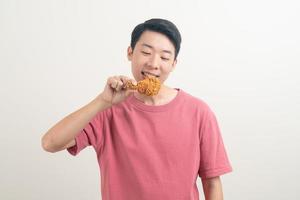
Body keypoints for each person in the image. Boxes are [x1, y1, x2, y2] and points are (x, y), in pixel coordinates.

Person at [41, 18, 232, 200]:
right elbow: (50, 143)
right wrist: (102, 101)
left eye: (165, 57)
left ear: (173, 64)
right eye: (146, 52)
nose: (153, 64)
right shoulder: (108, 110)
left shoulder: (198, 112)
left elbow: (212, 182)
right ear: (130, 52)